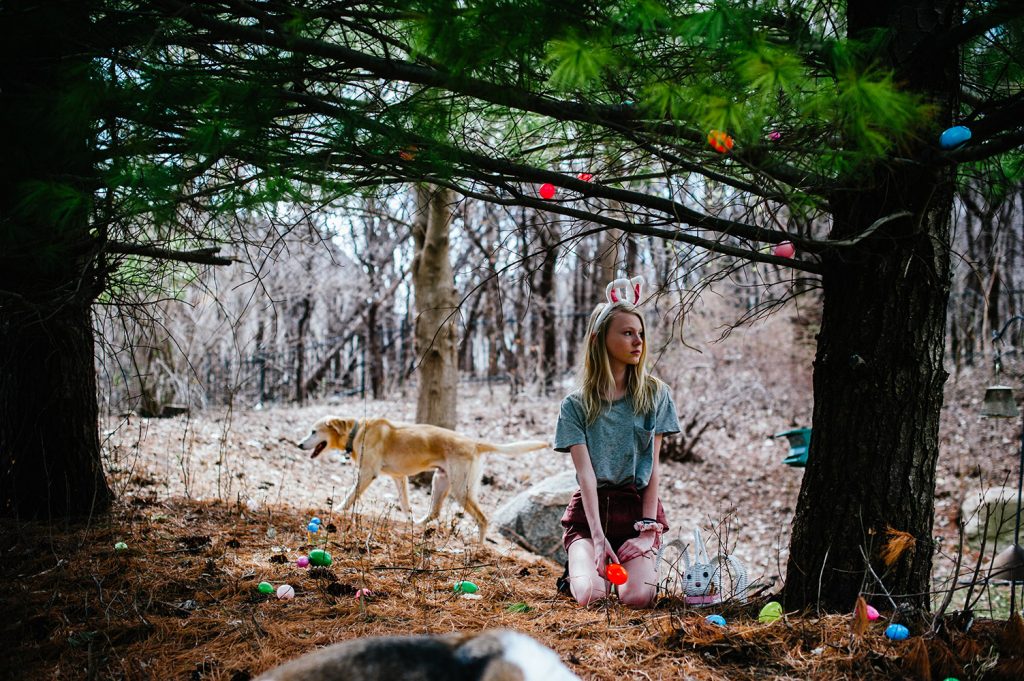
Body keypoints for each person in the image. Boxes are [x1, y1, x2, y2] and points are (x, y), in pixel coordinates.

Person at [554, 276, 679, 608]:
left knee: (637, 597)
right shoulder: (575, 405)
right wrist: (596, 538)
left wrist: (648, 530)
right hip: (590, 515)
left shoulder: (656, 395)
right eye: (627, 333)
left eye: (640, 334)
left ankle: (640, 561)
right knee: (593, 596)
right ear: (600, 339)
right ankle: (578, 569)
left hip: (638, 509)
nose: (637, 341)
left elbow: (653, 467)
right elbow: (586, 477)